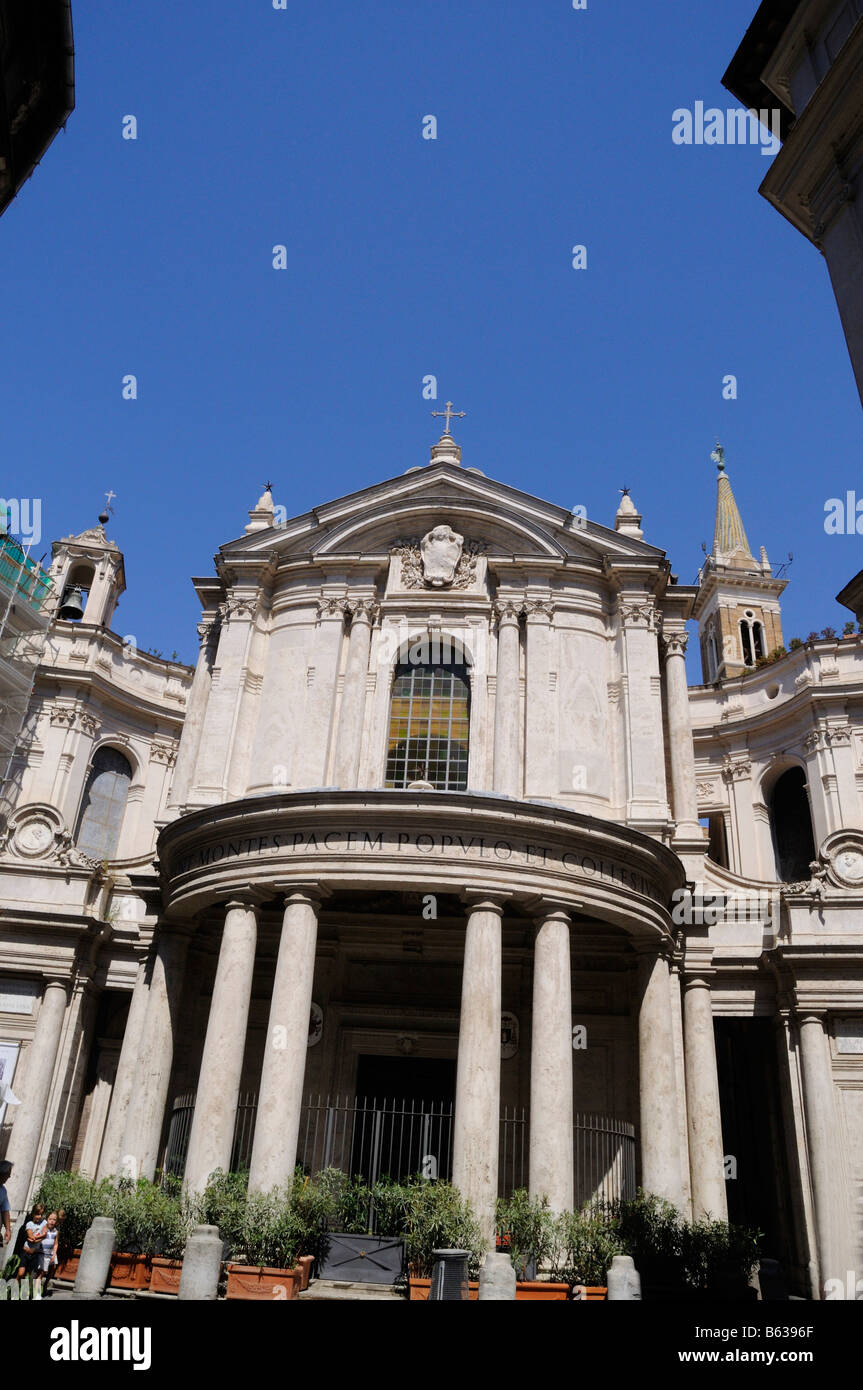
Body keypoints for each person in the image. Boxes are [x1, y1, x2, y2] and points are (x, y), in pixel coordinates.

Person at [19, 1203, 47, 1280]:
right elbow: (31, 1237)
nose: (39, 1217)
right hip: (26, 1251)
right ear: (33, 1214)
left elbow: (45, 1234)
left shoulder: (44, 1222)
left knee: (29, 1275)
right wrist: (42, 1237)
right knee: (21, 1273)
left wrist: (37, 1238)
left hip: (35, 1253)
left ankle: (23, 1291)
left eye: (41, 1214)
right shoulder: (29, 1224)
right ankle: (14, 1286)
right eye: (37, 1214)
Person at [36, 1211, 59, 1288]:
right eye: (50, 1219)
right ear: (46, 1219)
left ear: (56, 1222)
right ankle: (36, 1292)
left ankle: (46, 1284)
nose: (52, 1221)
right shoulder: (43, 1228)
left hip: (51, 1253)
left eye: (54, 1219)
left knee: (52, 1268)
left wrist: (54, 1254)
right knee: (42, 1272)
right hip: (43, 1253)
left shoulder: (56, 1231)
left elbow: (55, 1243)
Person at [0, 1160, 12, 1248]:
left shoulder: (3, 1190)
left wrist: (8, 1229)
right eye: (8, 1174)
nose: (9, 1176)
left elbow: (5, 1210)